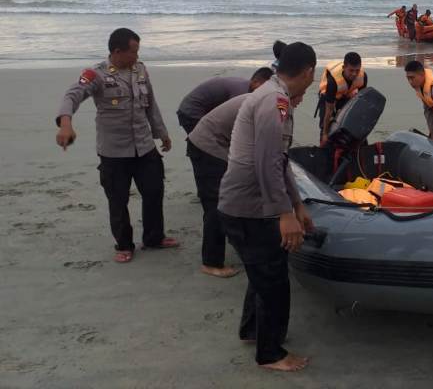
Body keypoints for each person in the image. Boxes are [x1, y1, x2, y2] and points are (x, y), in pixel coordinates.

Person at [217, 42, 317, 373]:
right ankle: (270, 354)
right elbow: (267, 162)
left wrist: (297, 203)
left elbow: (281, 160)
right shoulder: (275, 102)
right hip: (249, 206)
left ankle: (252, 331)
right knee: (274, 280)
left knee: (261, 273)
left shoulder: (271, 95)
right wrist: (285, 213)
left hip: (242, 202)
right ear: (307, 72)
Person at [55, 28, 178, 263]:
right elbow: (72, 95)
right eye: (134, 52)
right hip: (114, 152)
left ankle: (154, 237)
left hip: (143, 146)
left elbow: (150, 104)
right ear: (117, 51)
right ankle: (124, 244)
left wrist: (161, 133)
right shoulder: (95, 74)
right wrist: (65, 123)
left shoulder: (140, 69)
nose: (137, 56)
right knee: (118, 199)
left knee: (154, 191)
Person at [186, 68, 273, 278]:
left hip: (213, 141)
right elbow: (250, 145)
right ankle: (211, 261)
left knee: (225, 197)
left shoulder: (261, 99)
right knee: (217, 203)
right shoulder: (257, 104)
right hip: (207, 146)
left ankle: (234, 241)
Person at [177, 68, 277, 135]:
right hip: (191, 112)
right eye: (264, 87)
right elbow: (236, 120)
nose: (265, 91)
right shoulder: (241, 91)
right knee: (204, 145)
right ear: (255, 81)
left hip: (202, 110)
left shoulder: (245, 87)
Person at [317, 52, 367, 146]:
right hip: (328, 96)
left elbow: (361, 102)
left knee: (349, 123)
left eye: (357, 70)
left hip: (346, 94)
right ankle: (323, 147)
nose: (354, 74)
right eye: (351, 70)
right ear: (344, 68)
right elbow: (329, 111)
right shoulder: (333, 82)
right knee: (327, 125)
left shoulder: (363, 76)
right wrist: (325, 134)